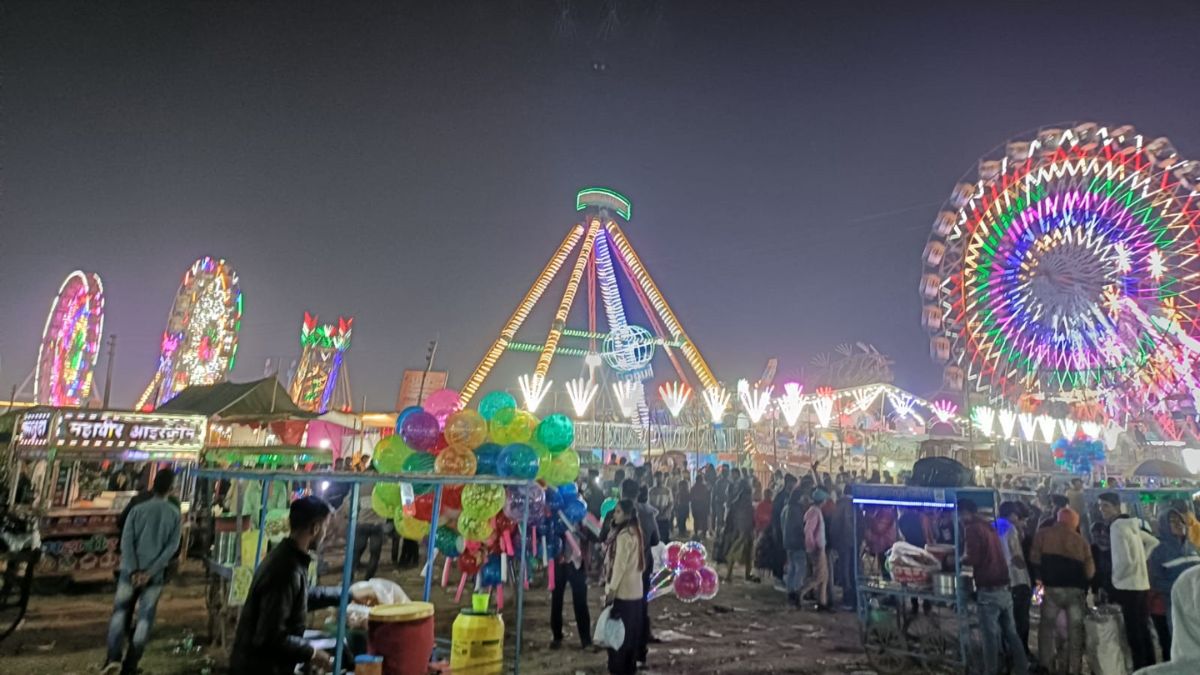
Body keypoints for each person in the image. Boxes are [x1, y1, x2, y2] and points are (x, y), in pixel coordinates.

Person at [230, 496, 373, 674]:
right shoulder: (285, 570)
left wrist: (347, 595)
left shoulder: (290, 557)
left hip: (269, 660)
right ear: (315, 528)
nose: (326, 533)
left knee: (340, 647)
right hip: (259, 666)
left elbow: (302, 596)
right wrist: (312, 653)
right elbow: (269, 637)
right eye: (326, 527)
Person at [103, 469, 181, 675]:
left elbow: (126, 541)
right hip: (154, 575)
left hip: (129, 571)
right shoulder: (174, 514)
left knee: (120, 613)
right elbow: (172, 548)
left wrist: (134, 568)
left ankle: (113, 659)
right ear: (171, 489)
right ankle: (131, 665)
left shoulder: (138, 509)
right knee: (145, 618)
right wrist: (149, 571)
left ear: (153, 485)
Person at [960, 498, 1028, 675]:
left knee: (990, 636)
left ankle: (991, 671)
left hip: (989, 588)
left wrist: (956, 559)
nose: (959, 519)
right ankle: (1022, 668)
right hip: (1004, 585)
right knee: (1011, 632)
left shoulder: (972, 529)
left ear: (965, 513)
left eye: (960, 514)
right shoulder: (989, 526)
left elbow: (973, 558)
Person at [1100, 491, 1160, 669]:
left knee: (1133, 631)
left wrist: (1116, 579)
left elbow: (1123, 560)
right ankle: (1150, 665)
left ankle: (1140, 667)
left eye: (1106, 506)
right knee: (1143, 629)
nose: (1102, 510)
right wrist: (1141, 560)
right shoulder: (1132, 524)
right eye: (1100, 506)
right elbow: (1153, 542)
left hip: (1126, 586)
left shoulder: (1116, 527)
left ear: (1117, 507)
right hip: (1141, 583)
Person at [1031, 507, 1093, 675]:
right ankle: (1074, 669)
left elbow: (1034, 560)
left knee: (1047, 629)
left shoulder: (1043, 534)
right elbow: (1090, 572)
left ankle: (1046, 666)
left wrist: (1038, 588)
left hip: (1051, 589)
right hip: (1075, 591)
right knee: (1075, 633)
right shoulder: (1081, 541)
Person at [1148, 508, 1200, 661]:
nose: (1178, 524)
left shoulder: (1192, 548)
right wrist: (1180, 589)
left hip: (1196, 604)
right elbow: (1156, 581)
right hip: (1175, 607)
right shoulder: (1159, 552)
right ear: (1164, 525)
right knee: (1181, 644)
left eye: (1180, 520)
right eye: (1173, 521)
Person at [603, 499, 646, 675]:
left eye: (618, 512)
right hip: (636, 593)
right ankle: (629, 669)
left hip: (623, 594)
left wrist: (611, 591)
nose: (615, 514)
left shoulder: (624, 536)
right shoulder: (636, 532)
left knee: (617, 638)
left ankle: (618, 669)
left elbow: (619, 566)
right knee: (630, 636)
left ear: (627, 514)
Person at [996, 501, 1032, 657]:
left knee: (1004, 619)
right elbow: (1016, 556)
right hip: (1017, 580)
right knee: (1021, 619)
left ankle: (1005, 650)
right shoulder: (1010, 529)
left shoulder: (992, 525)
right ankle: (1021, 653)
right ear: (1012, 515)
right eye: (1017, 515)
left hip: (999, 580)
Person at [550, 518, 592, 651]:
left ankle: (586, 640)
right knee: (556, 600)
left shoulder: (581, 514)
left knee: (580, 602)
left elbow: (588, 537)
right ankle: (557, 637)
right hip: (560, 562)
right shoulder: (557, 514)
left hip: (577, 562)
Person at [798, 489, 831, 612]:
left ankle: (822, 602)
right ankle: (800, 593)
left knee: (824, 576)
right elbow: (809, 531)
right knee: (818, 577)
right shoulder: (815, 512)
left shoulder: (814, 511)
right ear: (822, 501)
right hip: (818, 548)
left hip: (818, 547)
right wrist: (813, 546)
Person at [721, 479, 758, 582]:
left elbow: (730, 517)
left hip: (736, 531)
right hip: (745, 531)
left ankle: (729, 575)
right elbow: (750, 518)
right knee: (746, 555)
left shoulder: (736, 502)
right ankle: (746, 574)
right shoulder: (748, 503)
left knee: (734, 553)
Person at [781, 488, 809, 608]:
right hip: (797, 543)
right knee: (800, 569)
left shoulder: (786, 508)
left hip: (787, 542)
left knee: (792, 568)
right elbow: (799, 528)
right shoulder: (797, 510)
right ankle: (797, 593)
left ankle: (790, 592)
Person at [354, 484, 389, 580]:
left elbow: (354, 505)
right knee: (374, 554)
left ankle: (349, 578)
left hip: (362, 523)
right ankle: (368, 579)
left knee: (356, 552)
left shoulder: (361, 487)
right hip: (377, 525)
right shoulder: (383, 489)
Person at [649, 473, 673, 542]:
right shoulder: (651, 491)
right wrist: (656, 511)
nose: (658, 480)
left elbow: (670, 503)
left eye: (660, 478)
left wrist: (665, 511)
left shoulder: (667, 490)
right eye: (657, 478)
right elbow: (649, 504)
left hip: (665, 517)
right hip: (655, 518)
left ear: (663, 479)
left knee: (665, 536)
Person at [711, 465, 730, 540]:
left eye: (726, 472)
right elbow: (714, 493)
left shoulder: (729, 483)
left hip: (726, 503)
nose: (725, 474)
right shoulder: (718, 482)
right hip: (719, 502)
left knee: (725, 520)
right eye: (724, 472)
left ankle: (722, 534)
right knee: (719, 519)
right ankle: (719, 534)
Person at [690, 474, 711, 539]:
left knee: (696, 520)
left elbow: (691, 498)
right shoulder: (705, 487)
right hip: (703, 506)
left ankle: (696, 533)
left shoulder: (693, 488)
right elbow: (708, 498)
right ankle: (703, 533)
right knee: (703, 520)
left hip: (696, 505)